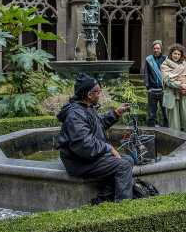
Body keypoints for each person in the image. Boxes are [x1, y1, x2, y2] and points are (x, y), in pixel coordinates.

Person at [56, 74, 133, 202]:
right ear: (89, 94)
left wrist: (115, 113)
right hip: (79, 162)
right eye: (98, 91)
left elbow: (98, 125)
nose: (100, 94)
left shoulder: (86, 107)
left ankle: (104, 198)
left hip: (87, 158)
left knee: (128, 159)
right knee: (123, 165)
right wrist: (108, 148)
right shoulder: (75, 114)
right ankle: (123, 208)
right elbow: (84, 144)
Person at [161, 44, 186, 134]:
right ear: (171, 54)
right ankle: (176, 143)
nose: (176, 56)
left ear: (181, 55)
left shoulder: (185, 65)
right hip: (172, 95)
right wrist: (182, 85)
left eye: (178, 54)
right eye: (174, 53)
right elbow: (168, 81)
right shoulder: (164, 65)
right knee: (174, 123)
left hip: (185, 94)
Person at [143, 39, 168, 127]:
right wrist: (148, 87)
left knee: (166, 112)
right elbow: (146, 73)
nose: (156, 50)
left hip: (163, 90)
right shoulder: (149, 59)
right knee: (151, 113)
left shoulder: (166, 59)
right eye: (154, 48)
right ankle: (151, 129)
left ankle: (167, 129)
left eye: (158, 48)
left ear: (161, 49)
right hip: (152, 90)